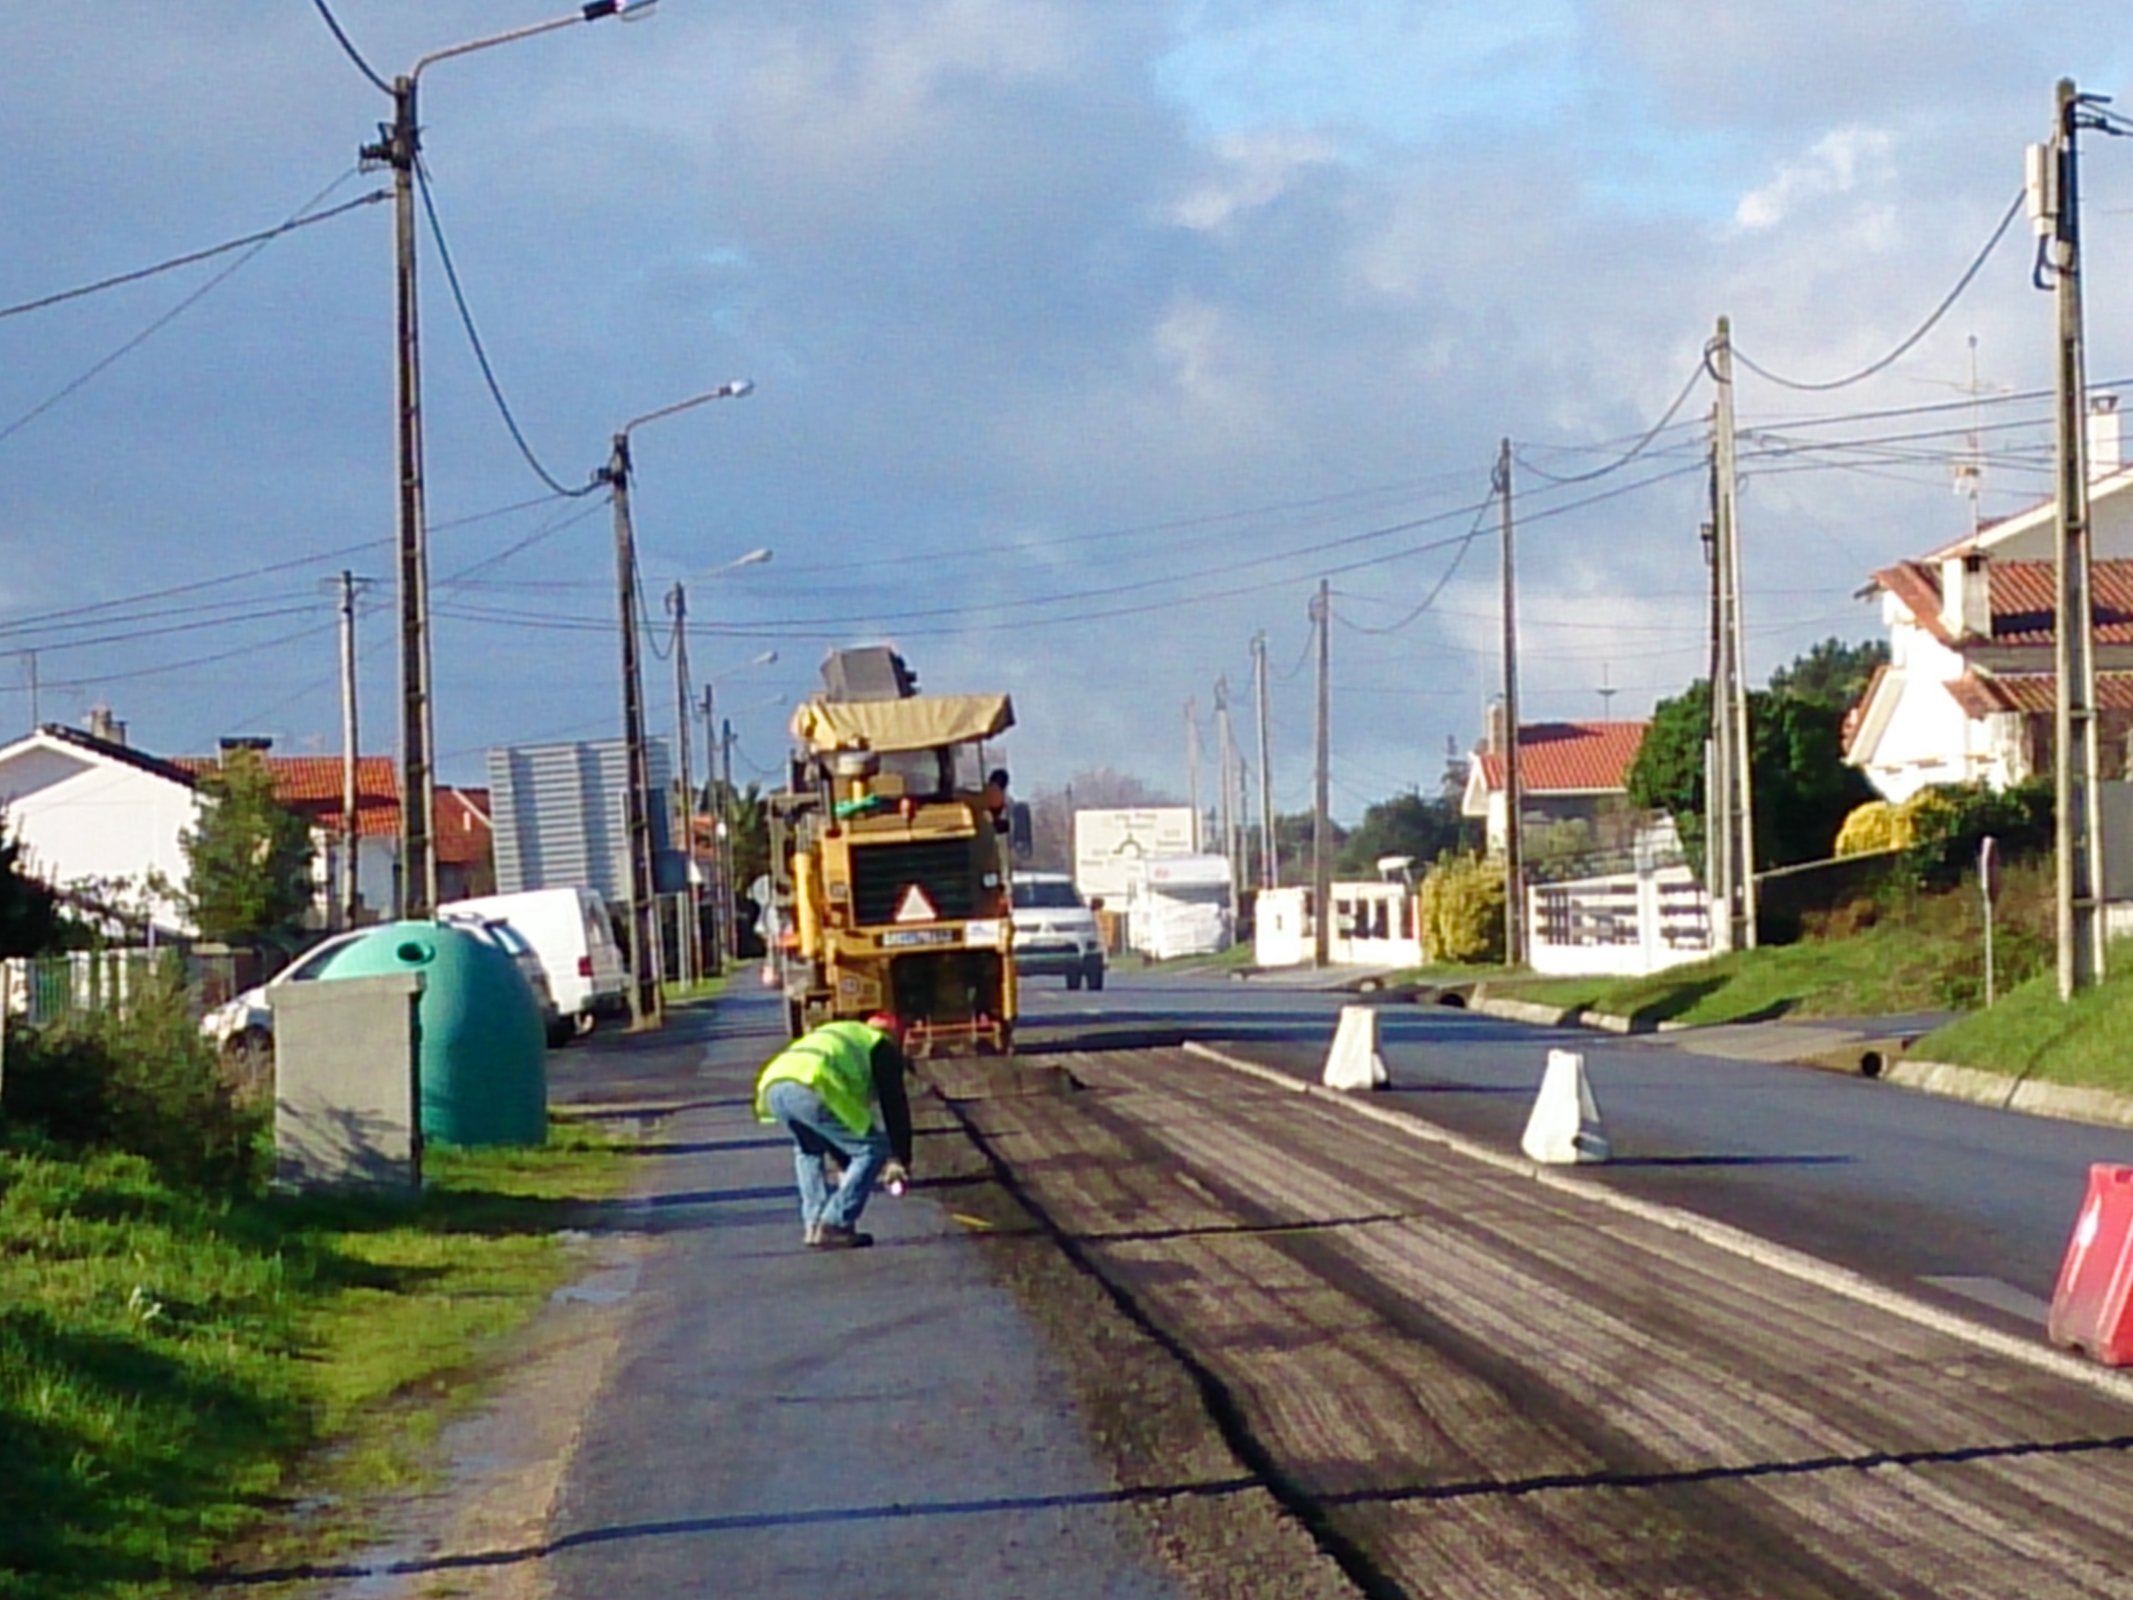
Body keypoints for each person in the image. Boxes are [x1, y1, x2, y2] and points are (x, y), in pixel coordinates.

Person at [753, 1011, 914, 1250]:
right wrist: (900, 1157)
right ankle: (835, 1223)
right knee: (872, 1148)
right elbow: (894, 1105)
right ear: (894, 1036)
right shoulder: (880, 1046)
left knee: (809, 1150)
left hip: (774, 1086)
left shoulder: (845, 1036)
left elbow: (843, 1127)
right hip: (812, 1085)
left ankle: (814, 1223)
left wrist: (846, 1161)